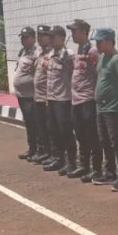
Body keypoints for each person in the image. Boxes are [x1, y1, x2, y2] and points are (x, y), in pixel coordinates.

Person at [92, 28, 118, 189]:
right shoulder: (102, 58)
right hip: (101, 108)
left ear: (109, 41)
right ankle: (110, 173)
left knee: (116, 142)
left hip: (114, 109)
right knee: (104, 141)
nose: (97, 45)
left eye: (99, 42)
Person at [68, 19, 102, 182]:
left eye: (74, 31)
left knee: (92, 136)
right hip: (76, 100)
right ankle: (84, 165)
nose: (72, 34)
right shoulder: (78, 50)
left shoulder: (92, 51)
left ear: (83, 32)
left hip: (88, 100)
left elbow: (98, 73)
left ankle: (96, 169)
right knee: (80, 135)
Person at [44, 26, 78, 175]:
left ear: (62, 38)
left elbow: (76, 73)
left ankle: (71, 162)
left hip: (63, 99)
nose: (50, 39)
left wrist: (66, 61)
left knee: (66, 132)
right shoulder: (51, 54)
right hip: (51, 98)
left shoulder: (69, 55)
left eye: (53, 37)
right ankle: (58, 159)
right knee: (53, 130)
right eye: (49, 37)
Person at [13, 26, 39, 161]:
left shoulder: (36, 53)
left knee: (35, 123)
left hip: (31, 95)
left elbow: (38, 74)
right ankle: (31, 148)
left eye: (26, 37)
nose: (23, 40)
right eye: (22, 37)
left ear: (34, 38)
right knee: (28, 123)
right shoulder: (23, 52)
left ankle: (39, 150)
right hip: (21, 95)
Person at [31, 25, 53, 164]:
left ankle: (52, 154)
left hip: (47, 98)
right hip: (37, 97)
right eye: (38, 35)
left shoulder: (52, 54)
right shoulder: (39, 53)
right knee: (41, 128)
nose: (39, 38)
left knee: (50, 129)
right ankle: (44, 152)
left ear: (49, 37)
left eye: (42, 35)